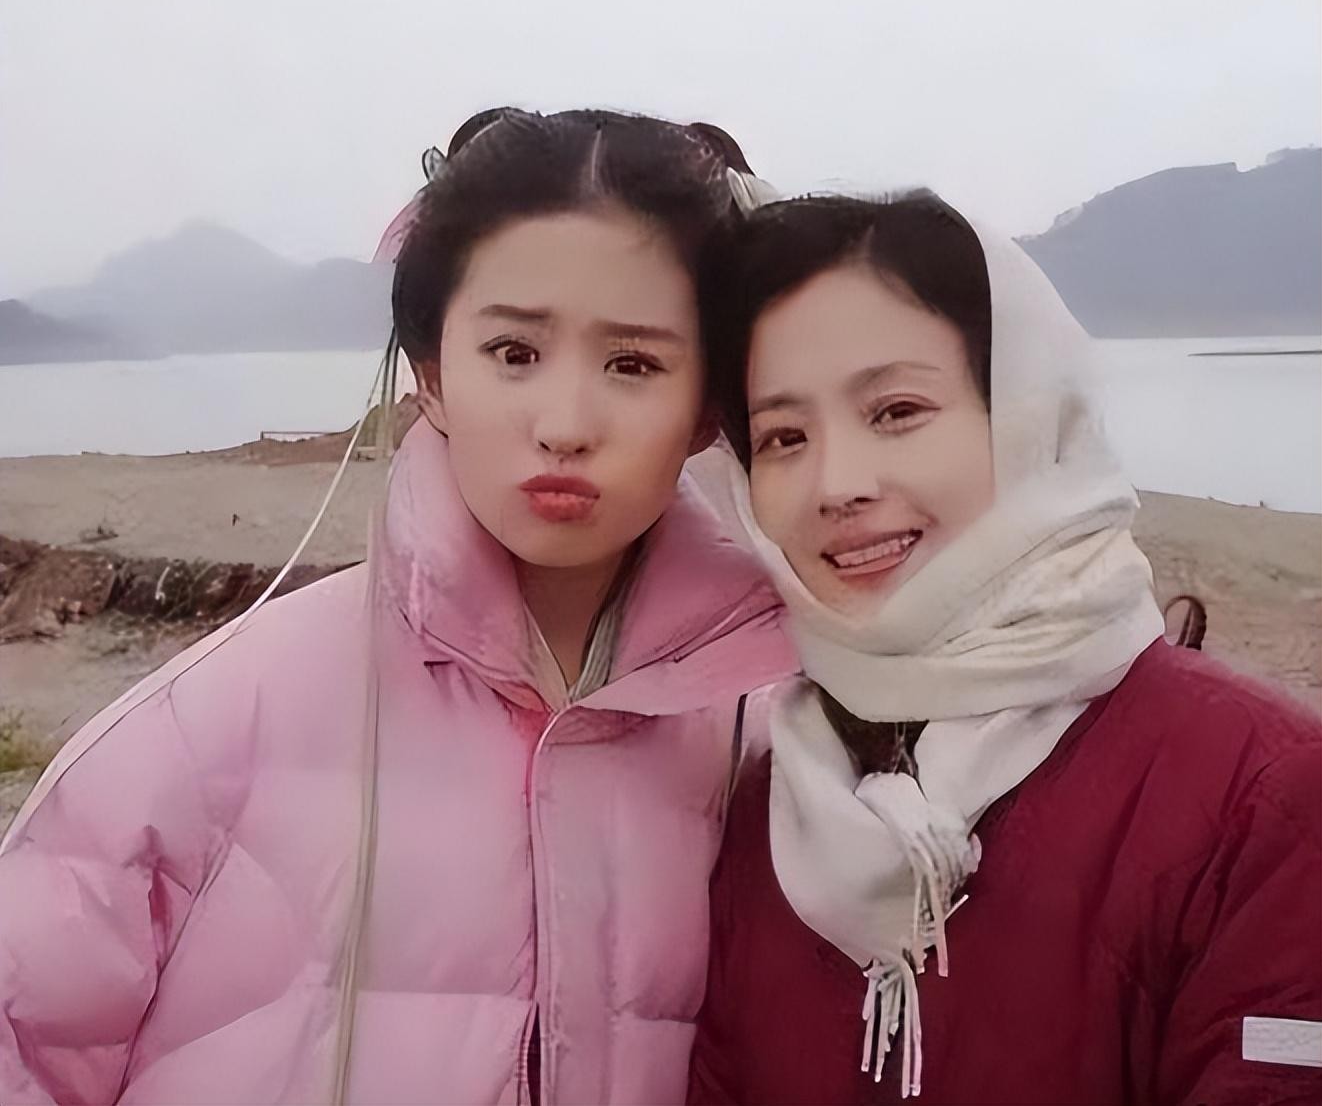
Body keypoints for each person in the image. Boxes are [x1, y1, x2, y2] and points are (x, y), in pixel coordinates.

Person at [0, 107, 797, 1105]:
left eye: (632, 364)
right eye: (513, 353)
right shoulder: (207, 730)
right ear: (431, 378)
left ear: (707, 411)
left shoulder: (778, 746)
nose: (564, 424)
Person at [688, 191, 1322, 1105]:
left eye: (897, 410)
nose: (837, 484)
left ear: (1026, 415)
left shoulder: (1260, 794)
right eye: (784, 437)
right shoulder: (771, 800)